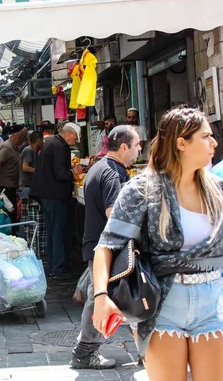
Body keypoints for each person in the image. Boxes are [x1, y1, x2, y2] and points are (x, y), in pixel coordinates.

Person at [92, 107, 223, 380]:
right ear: (181, 143)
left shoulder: (217, 190)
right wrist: (101, 297)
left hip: (213, 304)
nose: (214, 143)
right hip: (163, 306)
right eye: (206, 136)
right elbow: (107, 246)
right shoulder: (142, 189)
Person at [71, 125, 141, 370]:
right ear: (123, 147)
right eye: (136, 145)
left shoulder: (99, 167)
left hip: (98, 244)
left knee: (114, 295)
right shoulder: (113, 173)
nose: (139, 149)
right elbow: (114, 213)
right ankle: (84, 353)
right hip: (106, 247)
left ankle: (143, 348)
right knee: (100, 297)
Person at [30, 123, 83, 277]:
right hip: (55, 195)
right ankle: (58, 267)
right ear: (69, 134)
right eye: (75, 138)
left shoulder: (54, 143)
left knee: (53, 230)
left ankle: (54, 265)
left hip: (49, 194)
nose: (75, 141)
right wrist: (74, 171)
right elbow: (61, 173)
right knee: (57, 231)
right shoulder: (59, 147)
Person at [19, 131, 46, 253]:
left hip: (30, 187)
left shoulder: (33, 151)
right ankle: (26, 245)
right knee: (27, 219)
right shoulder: (29, 151)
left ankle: (29, 244)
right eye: (42, 141)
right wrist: (39, 171)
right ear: (38, 140)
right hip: (27, 188)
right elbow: (25, 167)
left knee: (28, 218)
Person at [0, 126, 27, 224]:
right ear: (17, 137)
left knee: (12, 213)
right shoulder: (7, 147)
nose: (24, 140)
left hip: (12, 186)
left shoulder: (15, 147)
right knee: (9, 213)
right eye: (24, 137)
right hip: (6, 186)